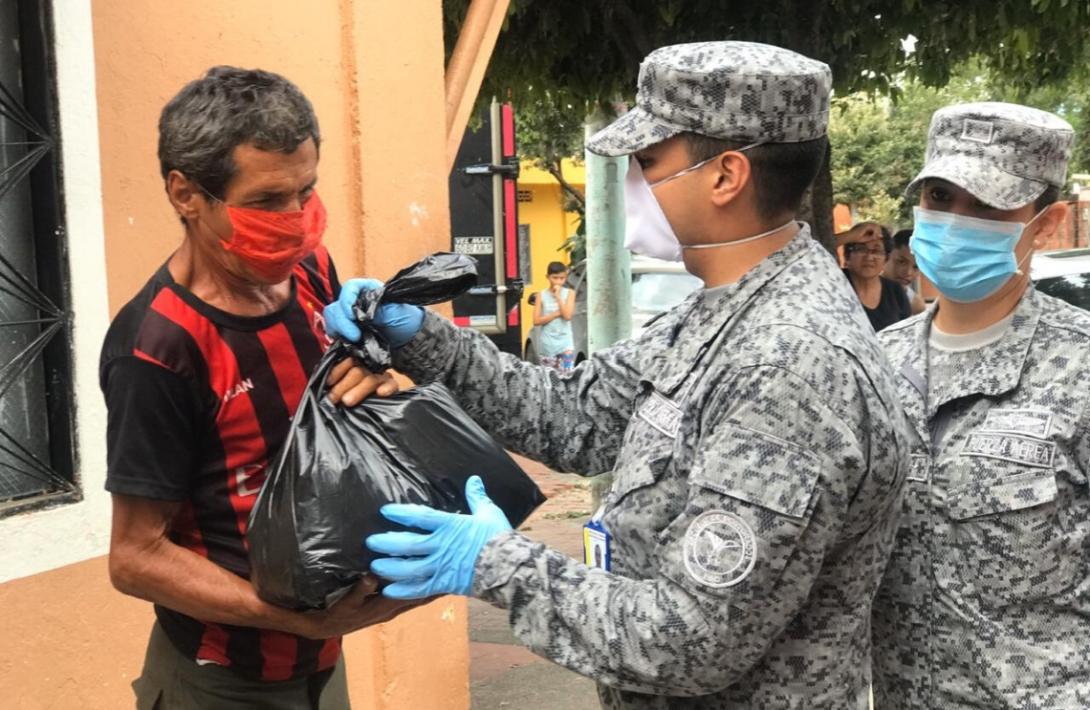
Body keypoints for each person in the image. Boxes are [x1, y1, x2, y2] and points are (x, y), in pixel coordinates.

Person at [325, 41, 909, 708]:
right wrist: (425, 343)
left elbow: (689, 640)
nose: (634, 182)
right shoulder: (725, 310)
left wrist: (498, 565)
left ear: (726, 176)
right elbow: (575, 416)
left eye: (648, 162)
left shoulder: (791, 367)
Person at [101, 67, 410, 710]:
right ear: (186, 194)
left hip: (324, 667)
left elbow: (342, 417)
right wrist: (292, 618)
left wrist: (382, 381)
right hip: (221, 682)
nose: (297, 222)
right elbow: (135, 556)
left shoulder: (312, 273)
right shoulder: (158, 348)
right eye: (268, 202)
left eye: (307, 191)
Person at [871, 102, 1088, 708]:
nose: (956, 221)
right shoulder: (872, 365)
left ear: (1046, 225)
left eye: (989, 206)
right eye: (940, 197)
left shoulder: (1081, 367)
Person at [842, 226, 912, 331]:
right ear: (847, 255)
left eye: (876, 251)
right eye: (861, 249)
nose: (869, 257)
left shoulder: (895, 291)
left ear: (886, 258)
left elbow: (905, 335)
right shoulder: (835, 283)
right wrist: (848, 236)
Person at [533, 261, 576, 370]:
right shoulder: (541, 295)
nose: (558, 281)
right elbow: (536, 321)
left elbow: (567, 316)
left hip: (565, 342)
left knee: (568, 374)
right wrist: (556, 314)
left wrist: (558, 297)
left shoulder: (570, 293)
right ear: (548, 277)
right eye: (555, 278)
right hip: (548, 343)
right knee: (550, 379)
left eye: (562, 278)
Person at [885, 228, 927, 314]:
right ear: (886, 255)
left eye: (916, 267)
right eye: (901, 262)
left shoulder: (915, 305)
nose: (908, 273)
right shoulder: (859, 289)